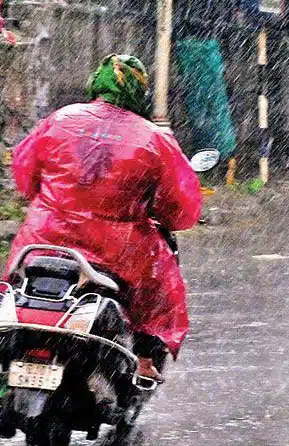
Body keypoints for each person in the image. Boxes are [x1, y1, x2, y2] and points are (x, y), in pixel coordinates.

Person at [6, 54, 202, 381]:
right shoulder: (154, 139)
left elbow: (25, 176)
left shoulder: (60, 119)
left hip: (43, 236)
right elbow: (180, 211)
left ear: (96, 82)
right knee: (160, 281)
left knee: (13, 286)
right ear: (140, 93)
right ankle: (142, 355)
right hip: (116, 250)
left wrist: (56, 201)